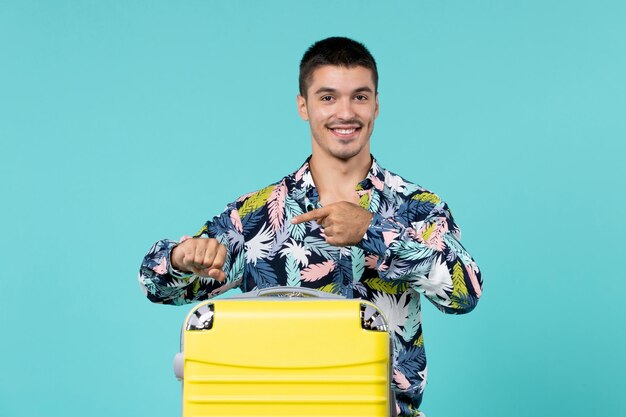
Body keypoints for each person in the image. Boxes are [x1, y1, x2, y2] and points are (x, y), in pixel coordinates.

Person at [139, 36, 482, 416]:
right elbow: (159, 287)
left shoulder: (417, 208)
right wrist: (180, 259)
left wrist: (373, 231)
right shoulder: (257, 214)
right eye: (328, 97)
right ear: (304, 105)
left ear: (377, 105)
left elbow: (465, 292)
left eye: (360, 97)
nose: (346, 113)